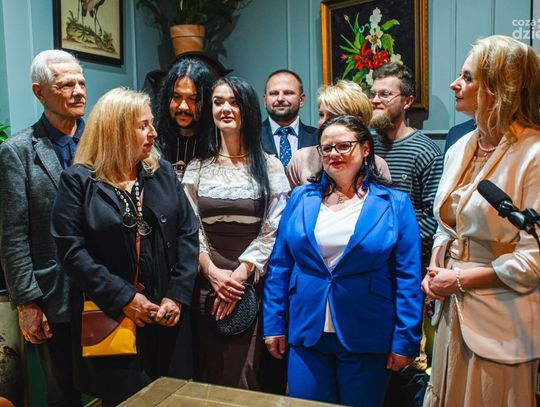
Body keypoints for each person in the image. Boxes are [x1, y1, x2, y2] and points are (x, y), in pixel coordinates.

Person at [51, 88, 199, 405]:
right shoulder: (78, 181)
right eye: (143, 125)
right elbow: (71, 252)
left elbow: (188, 232)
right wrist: (125, 298)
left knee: (175, 397)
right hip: (114, 317)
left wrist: (177, 295)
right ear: (115, 131)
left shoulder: (161, 173)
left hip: (167, 316)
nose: (154, 133)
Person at [263, 115, 423, 407]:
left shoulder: (395, 204)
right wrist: (273, 323)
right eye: (326, 148)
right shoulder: (301, 198)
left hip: (367, 331)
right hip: (306, 331)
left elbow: (408, 277)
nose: (334, 153)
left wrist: (405, 340)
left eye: (343, 146)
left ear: (365, 149)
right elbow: (280, 265)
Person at [422, 35, 540, 407]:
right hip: (452, 314)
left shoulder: (534, 154)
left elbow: (533, 260)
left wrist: (458, 279)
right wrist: (436, 266)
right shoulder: (460, 146)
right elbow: (446, 224)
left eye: (468, 77)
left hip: (502, 319)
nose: (454, 84)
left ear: (500, 88)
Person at [182, 76, 290, 390]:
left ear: (248, 109)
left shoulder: (270, 166)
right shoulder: (198, 167)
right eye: (218, 102)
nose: (225, 109)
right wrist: (212, 273)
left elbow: (273, 228)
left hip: (250, 287)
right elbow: (190, 227)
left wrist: (239, 277)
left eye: (234, 102)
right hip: (207, 286)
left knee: (245, 378)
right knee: (208, 376)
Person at [0, 49, 86, 406]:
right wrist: (27, 303)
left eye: (81, 83)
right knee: (63, 395)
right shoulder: (17, 151)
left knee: (117, 390)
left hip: (107, 292)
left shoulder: (101, 143)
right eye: (66, 85)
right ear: (39, 92)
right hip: (53, 297)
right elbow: (13, 235)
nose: (78, 91)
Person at [369, 62, 443, 406]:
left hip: (408, 274)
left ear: (407, 101)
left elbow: (436, 218)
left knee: (407, 364)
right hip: (370, 272)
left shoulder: (425, 150)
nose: (376, 100)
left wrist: (393, 238)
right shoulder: (364, 146)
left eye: (385, 94)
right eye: (373, 94)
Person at [286, 80, 391, 188]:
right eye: (321, 115)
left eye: (332, 116)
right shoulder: (302, 158)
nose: (322, 122)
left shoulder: (377, 165)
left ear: (356, 121)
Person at [156, 58, 215, 181]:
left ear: (206, 101)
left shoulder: (217, 142)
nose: (183, 106)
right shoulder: (153, 139)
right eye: (176, 96)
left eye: (192, 99)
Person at [260, 69, 317, 167]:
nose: (280, 99)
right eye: (274, 93)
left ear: (301, 100)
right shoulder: (249, 137)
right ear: (265, 101)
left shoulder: (318, 137)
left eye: (288, 93)